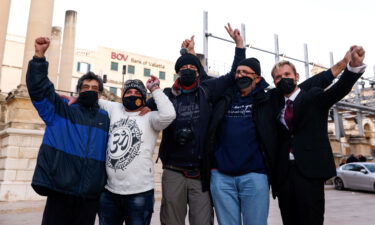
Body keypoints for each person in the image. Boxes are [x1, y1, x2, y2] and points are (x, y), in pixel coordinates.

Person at [204, 50, 351, 225]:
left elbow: (309, 85)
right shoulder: (230, 98)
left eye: (287, 75)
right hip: (252, 174)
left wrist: (343, 66)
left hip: (267, 173)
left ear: (258, 78)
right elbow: (207, 83)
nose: (240, 75)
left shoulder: (266, 100)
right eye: (278, 77)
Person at [147, 24, 245, 225]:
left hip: (200, 172)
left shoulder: (208, 90)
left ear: (198, 72)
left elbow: (233, 75)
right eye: (184, 68)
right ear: (177, 72)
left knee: (202, 221)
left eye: (192, 67)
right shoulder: (166, 95)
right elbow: (139, 107)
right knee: (171, 220)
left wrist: (239, 46)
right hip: (173, 169)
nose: (188, 70)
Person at [272, 46, 366, 225]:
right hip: (284, 176)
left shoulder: (313, 96)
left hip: (310, 173)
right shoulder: (275, 104)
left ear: (296, 77)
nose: (282, 79)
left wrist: (352, 68)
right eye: (278, 77)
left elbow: (338, 89)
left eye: (286, 75)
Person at [26, 37, 110, 225]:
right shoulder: (61, 109)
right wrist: (39, 56)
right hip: (59, 192)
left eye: (95, 88)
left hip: (90, 198)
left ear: (100, 94)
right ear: (78, 91)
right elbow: (39, 89)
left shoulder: (106, 119)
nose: (90, 90)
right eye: (86, 87)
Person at [97, 77, 176, 225]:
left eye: (136, 92)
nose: (132, 95)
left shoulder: (151, 117)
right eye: (128, 92)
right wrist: (74, 98)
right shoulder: (115, 108)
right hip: (110, 193)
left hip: (140, 194)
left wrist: (155, 89)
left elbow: (169, 114)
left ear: (143, 97)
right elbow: (92, 100)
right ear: (123, 95)